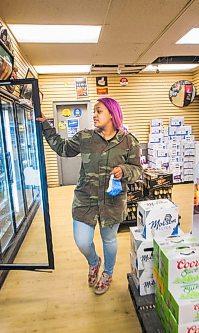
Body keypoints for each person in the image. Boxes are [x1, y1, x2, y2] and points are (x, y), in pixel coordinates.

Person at [36, 97, 142, 295]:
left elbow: (138, 170)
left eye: (99, 111)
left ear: (112, 114)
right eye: (94, 111)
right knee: (82, 241)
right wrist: (46, 127)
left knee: (109, 239)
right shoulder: (85, 137)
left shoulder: (129, 141)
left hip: (112, 202)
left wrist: (124, 170)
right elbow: (62, 148)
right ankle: (94, 262)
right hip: (85, 201)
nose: (94, 115)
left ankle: (108, 274)